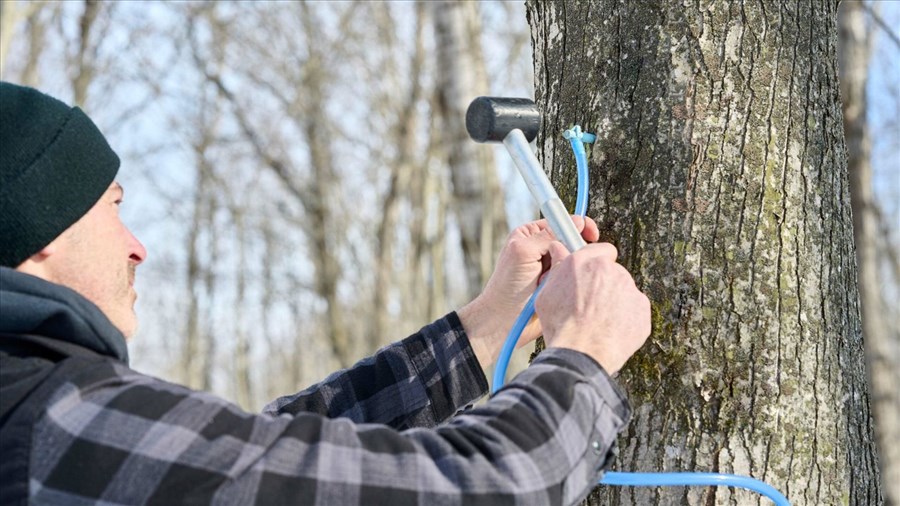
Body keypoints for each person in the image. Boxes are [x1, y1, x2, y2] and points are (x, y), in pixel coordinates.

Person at [0, 82, 651, 505]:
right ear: (42, 227)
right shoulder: (54, 425)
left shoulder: (40, 414)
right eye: (112, 209)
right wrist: (584, 355)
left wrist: (481, 330)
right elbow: (461, 492)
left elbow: (273, 455)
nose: (136, 245)